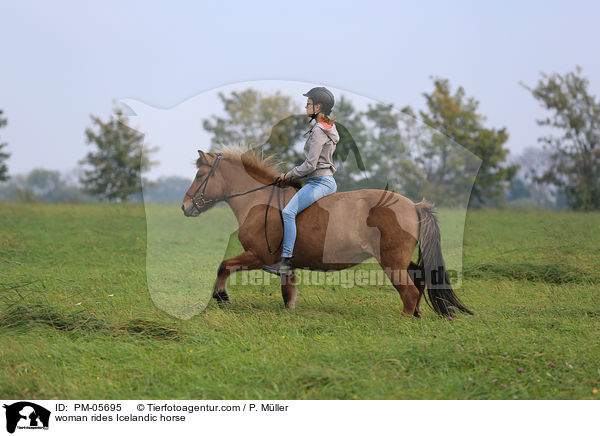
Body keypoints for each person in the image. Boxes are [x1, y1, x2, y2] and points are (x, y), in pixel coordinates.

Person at [263, 87, 339, 276]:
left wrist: (288, 175)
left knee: (288, 212)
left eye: (309, 103)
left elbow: (311, 164)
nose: (306, 106)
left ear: (318, 106)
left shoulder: (319, 131)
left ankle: (286, 262)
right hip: (323, 180)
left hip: (319, 182)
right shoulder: (328, 127)